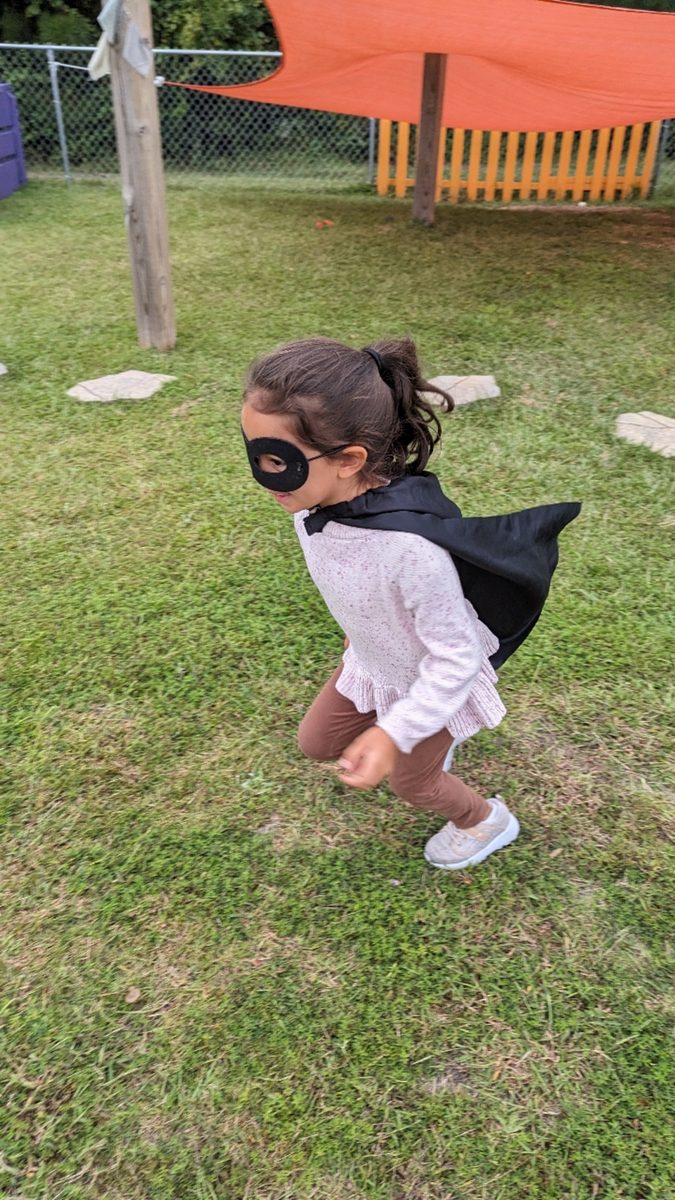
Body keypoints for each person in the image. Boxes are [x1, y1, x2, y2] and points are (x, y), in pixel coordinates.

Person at [241, 336, 578, 870]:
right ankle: (416, 734)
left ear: (350, 460)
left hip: (434, 677)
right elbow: (350, 581)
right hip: (373, 661)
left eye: (277, 461)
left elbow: (457, 660)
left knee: (411, 782)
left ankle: (485, 820)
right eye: (253, 452)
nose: (262, 477)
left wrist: (393, 732)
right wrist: (358, 636)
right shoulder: (310, 507)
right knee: (315, 742)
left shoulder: (410, 551)